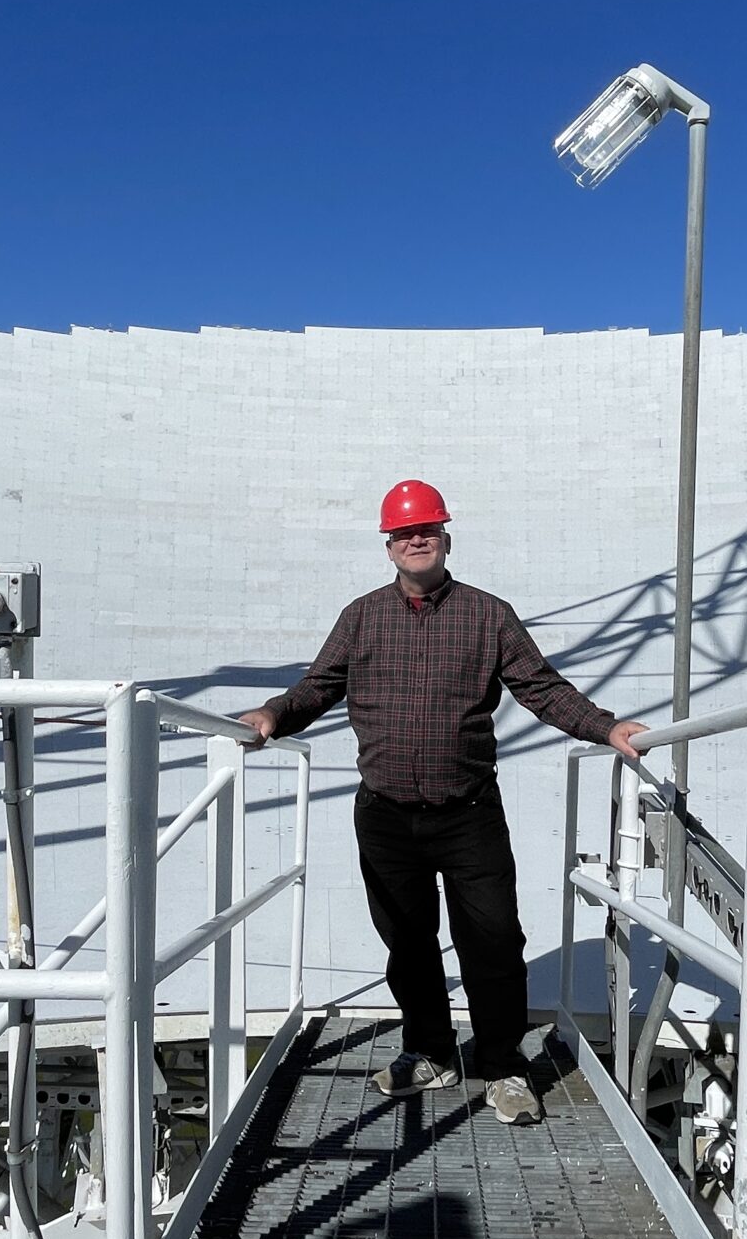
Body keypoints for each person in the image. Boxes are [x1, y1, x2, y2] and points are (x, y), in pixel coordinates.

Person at [239, 479, 649, 1124]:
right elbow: (318, 686)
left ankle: (504, 1068)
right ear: (390, 545)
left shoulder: (488, 615)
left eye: (426, 529)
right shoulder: (362, 616)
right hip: (385, 813)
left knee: (492, 940)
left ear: (446, 538)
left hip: (468, 812)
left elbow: (541, 689)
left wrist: (606, 727)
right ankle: (429, 1053)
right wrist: (271, 714)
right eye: (404, 532)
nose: (416, 538)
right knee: (408, 941)